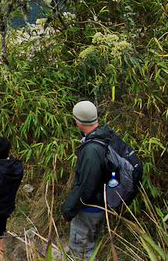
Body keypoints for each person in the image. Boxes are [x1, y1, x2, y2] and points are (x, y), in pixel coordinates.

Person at [61, 101, 115, 260]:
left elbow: (85, 186)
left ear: (78, 121)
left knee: (81, 252)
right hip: (101, 204)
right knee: (90, 247)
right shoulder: (105, 135)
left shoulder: (92, 149)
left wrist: (68, 210)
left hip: (89, 208)